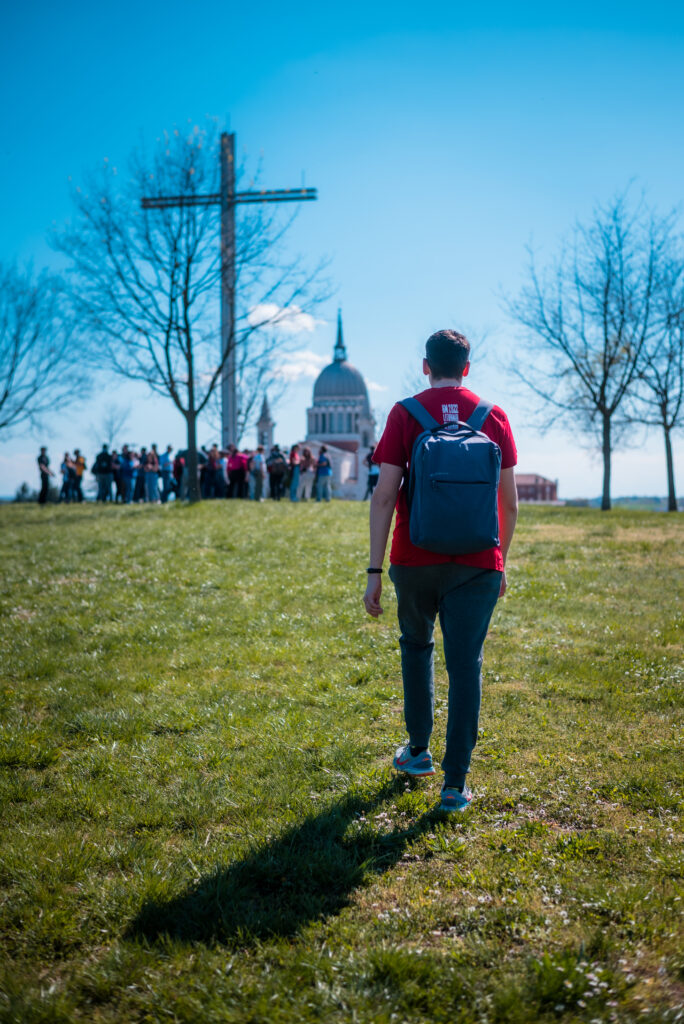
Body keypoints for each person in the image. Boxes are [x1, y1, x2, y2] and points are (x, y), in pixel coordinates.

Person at [363, 329, 518, 814]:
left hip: (414, 556)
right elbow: (509, 504)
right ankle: (455, 785)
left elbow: (385, 494)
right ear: (467, 368)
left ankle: (417, 753)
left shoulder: (405, 414)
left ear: (425, 366)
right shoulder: (493, 416)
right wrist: (501, 562)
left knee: (416, 648)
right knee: (465, 665)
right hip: (478, 564)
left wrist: (373, 568)